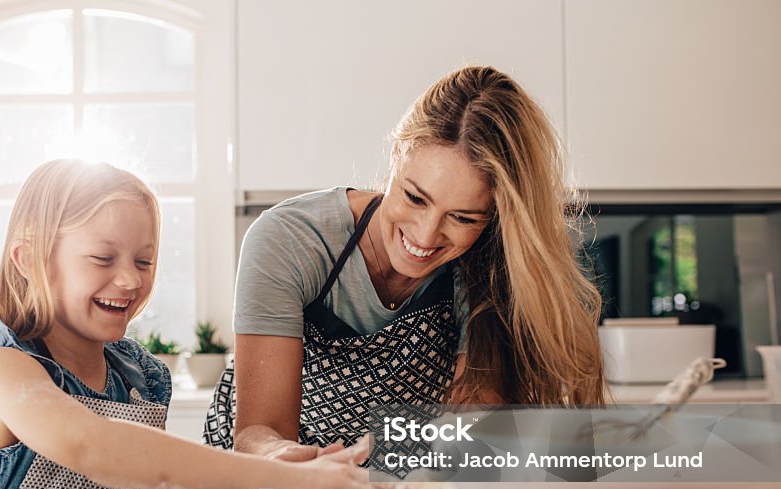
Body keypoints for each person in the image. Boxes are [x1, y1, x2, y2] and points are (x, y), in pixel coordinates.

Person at [0, 159, 415, 489]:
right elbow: (90, 444)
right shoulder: (4, 367)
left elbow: (156, 484)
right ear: (29, 260)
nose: (129, 279)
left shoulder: (139, 378)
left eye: (145, 261)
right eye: (102, 257)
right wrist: (281, 479)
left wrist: (282, 477)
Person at [204, 65, 606, 460]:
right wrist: (296, 463)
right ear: (397, 154)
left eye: (463, 217)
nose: (426, 235)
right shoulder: (291, 239)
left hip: (396, 481)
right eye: (415, 197)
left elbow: (473, 424)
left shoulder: (490, 268)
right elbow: (262, 432)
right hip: (255, 477)